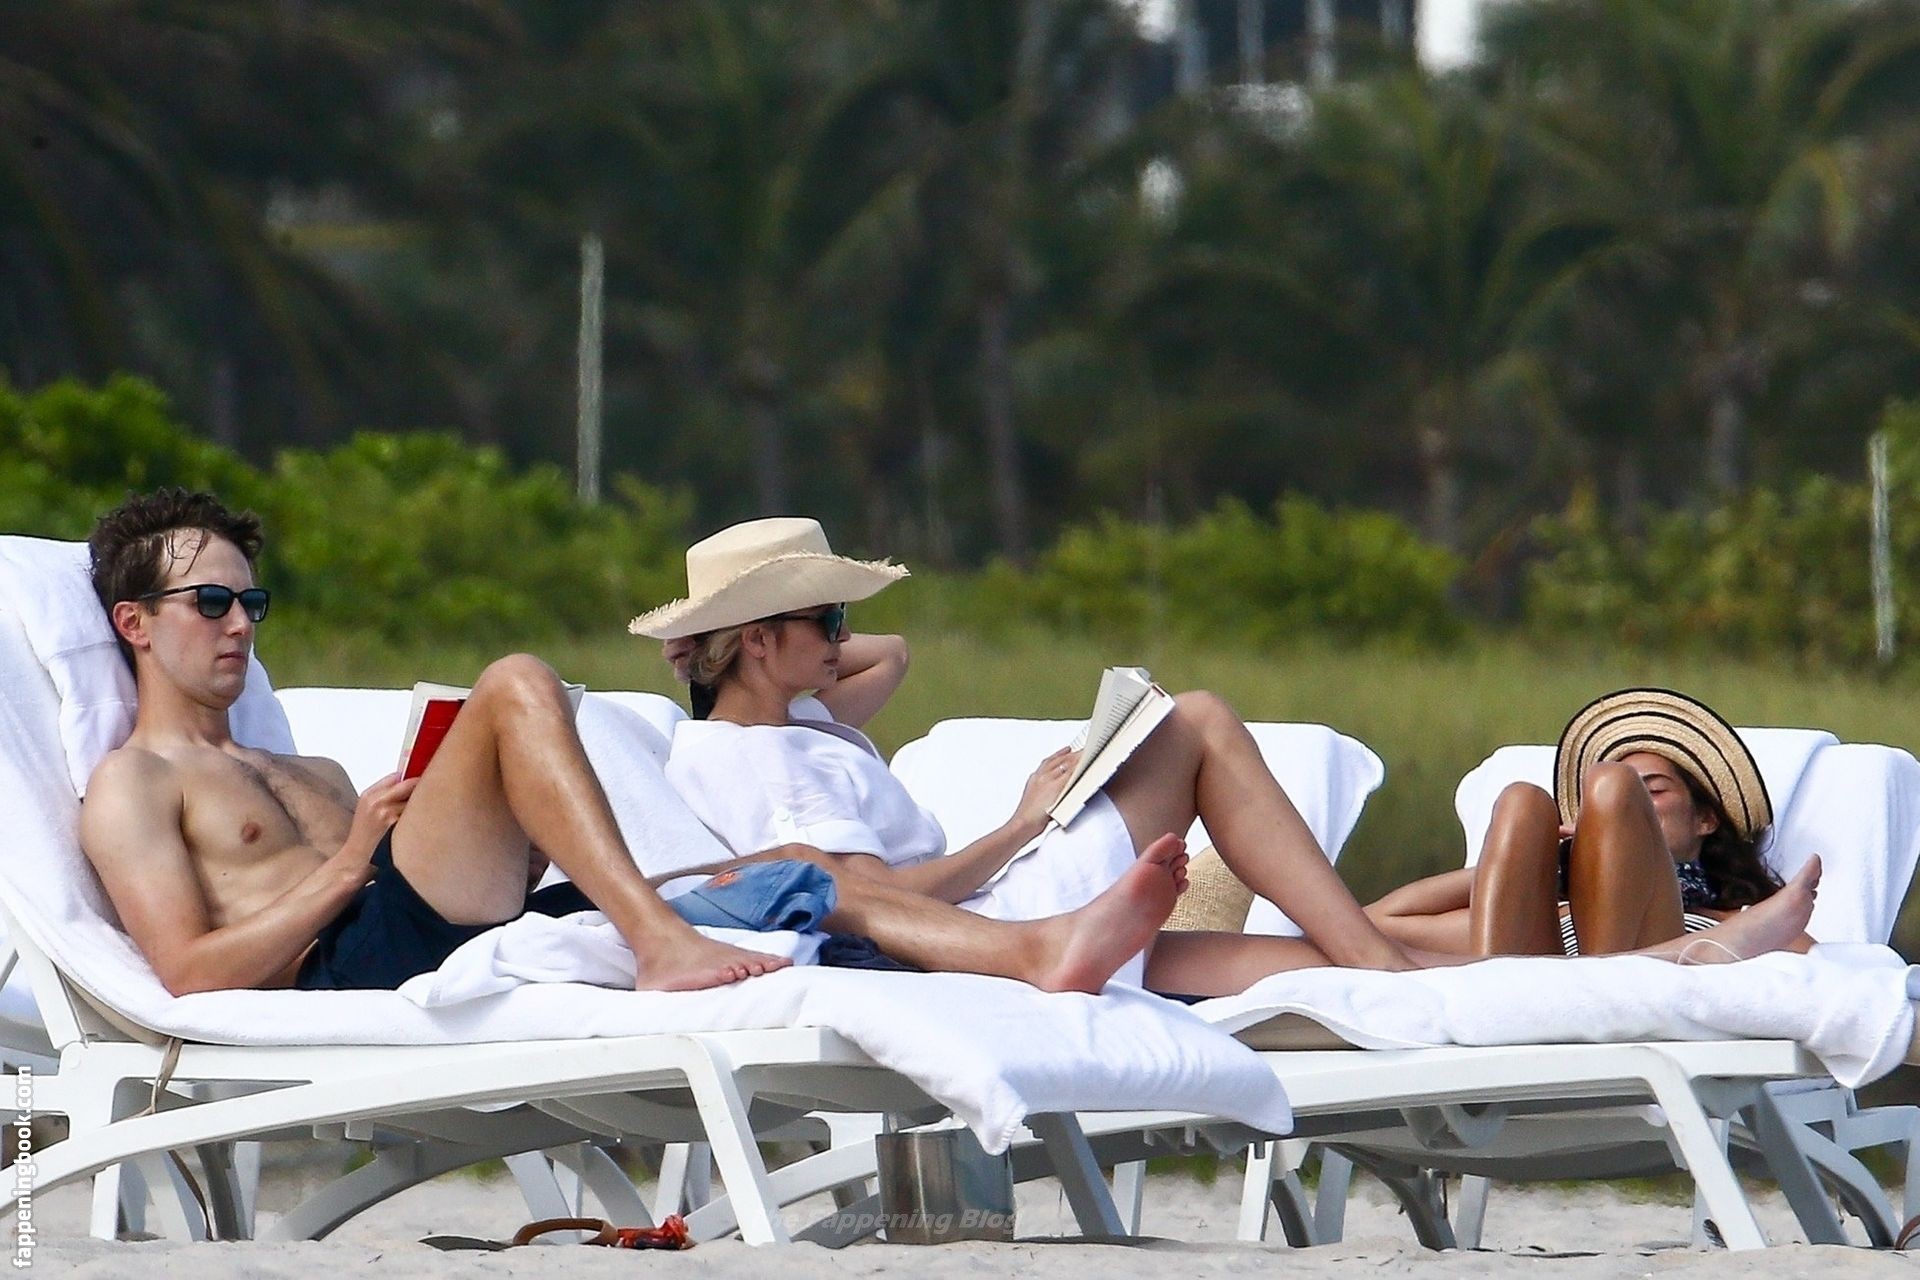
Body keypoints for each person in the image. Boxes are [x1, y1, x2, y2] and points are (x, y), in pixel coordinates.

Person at [635, 518, 1824, 998]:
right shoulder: (768, 761)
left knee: (1315, 957)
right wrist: (1022, 820)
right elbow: (876, 902)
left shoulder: (792, 725)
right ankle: (1379, 963)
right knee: (1197, 719)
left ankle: (1678, 951)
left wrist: (764, 658)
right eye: (824, 618)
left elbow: (888, 656)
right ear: (760, 641)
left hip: (1011, 915)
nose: (848, 638)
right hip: (1001, 922)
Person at [78, 490, 1186, 999]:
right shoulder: (134, 784)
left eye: (251, 601)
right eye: (210, 602)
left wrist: (514, 836)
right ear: (134, 622)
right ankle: (658, 938)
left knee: (791, 873)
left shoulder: (307, 767)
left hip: (451, 920)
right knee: (516, 683)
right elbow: (188, 974)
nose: (239, 624)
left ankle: (1031, 952)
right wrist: (347, 866)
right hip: (348, 963)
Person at [1366, 688, 1816, 959]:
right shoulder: (1552, 914)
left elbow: (1815, 962)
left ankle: (1603, 983)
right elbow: (1378, 923)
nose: (1634, 810)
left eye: (1653, 792)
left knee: (1610, 781)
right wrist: (1538, 865)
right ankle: (1555, 986)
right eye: (1609, 810)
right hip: (1527, 1000)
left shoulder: (1734, 921)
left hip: (1641, 991)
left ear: (1705, 819)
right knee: (1522, 802)